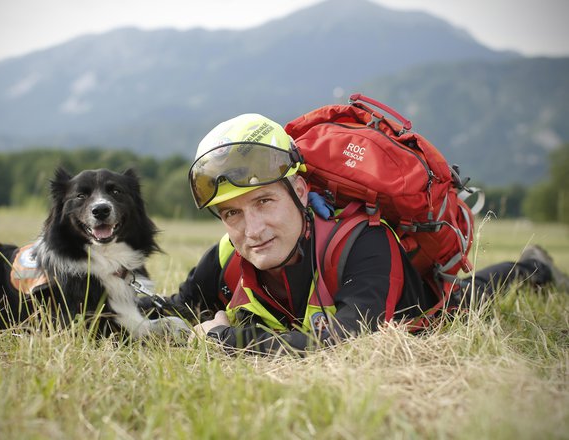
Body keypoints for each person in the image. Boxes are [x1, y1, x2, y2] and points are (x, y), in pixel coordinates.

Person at [140, 113, 569, 355]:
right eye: (231, 213)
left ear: (302, 191)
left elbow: (345, 344)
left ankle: (535, 267)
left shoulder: (363, 242)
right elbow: (179, 311)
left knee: (473, 294)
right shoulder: (227, 257)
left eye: (264, 202)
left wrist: (226, 341)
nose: (251, 230)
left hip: (423, 304)